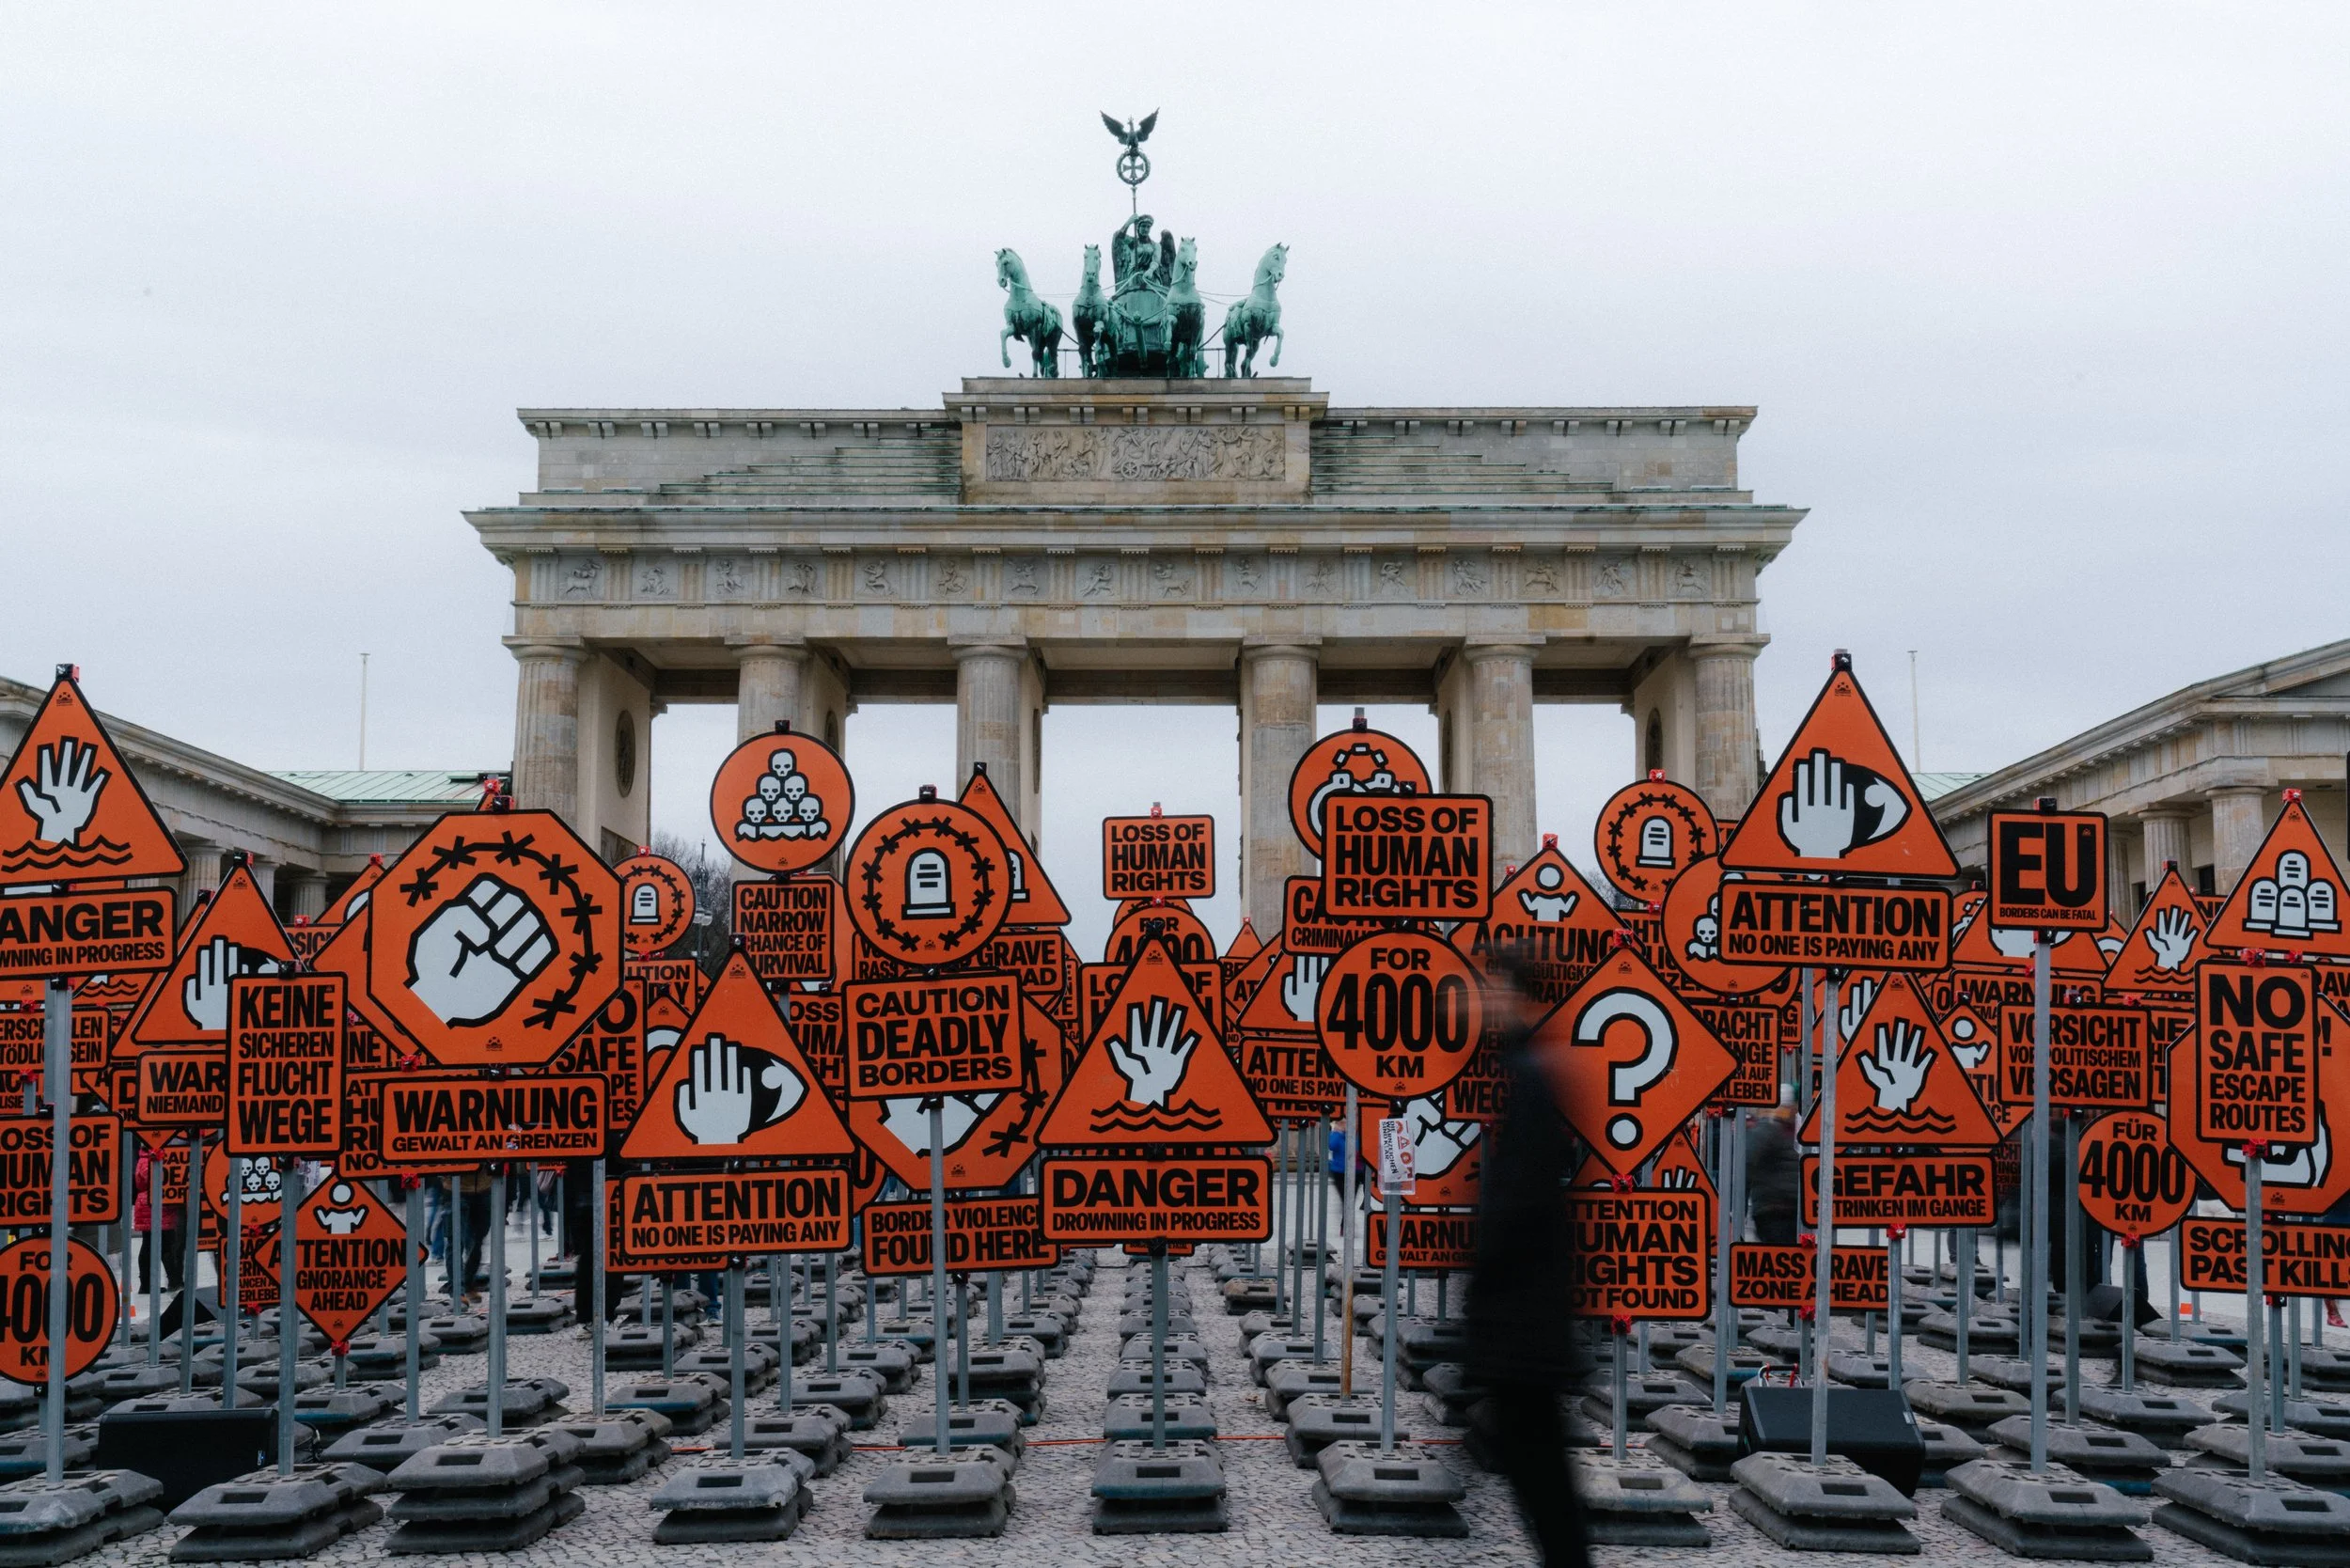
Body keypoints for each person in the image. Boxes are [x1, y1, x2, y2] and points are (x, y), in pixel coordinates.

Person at [1465, 950, 1590, 1568]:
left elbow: (1520, 1205)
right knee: (1541, 1475)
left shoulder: (1533, 1073)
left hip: (1523, 1325)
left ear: (1519, 994)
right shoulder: (1529, 1069)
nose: (1487, 1002)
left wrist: (1482, 1311)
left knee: (1541, 1475)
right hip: (1527, 1322)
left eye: (1493, 989)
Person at [1745, 1087, 1800, 1245]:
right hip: (1787, 1207)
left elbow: (1747, 1161)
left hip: (1772, 1206)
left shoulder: (1768, 1127)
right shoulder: (1795, 1129)